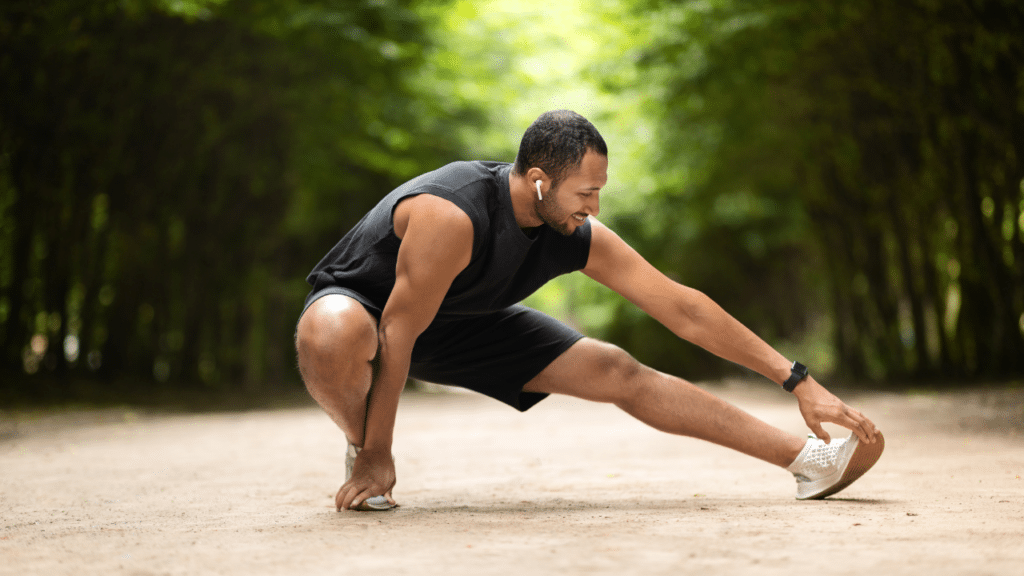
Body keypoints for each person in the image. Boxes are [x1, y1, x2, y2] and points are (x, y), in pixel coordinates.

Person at [295, 110, 884, 512]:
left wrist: (796, 379)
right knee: (331, 330)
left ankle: (810, 462)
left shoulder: (573, 230)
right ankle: (361, 448)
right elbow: (399, 327)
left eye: (599, 190)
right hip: (371, 311)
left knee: (617, 370)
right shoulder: (453, 214)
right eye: (585, 192)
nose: (595, 206)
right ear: (539, 181)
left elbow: (683, 307)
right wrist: (378, 450)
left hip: (457, 323)